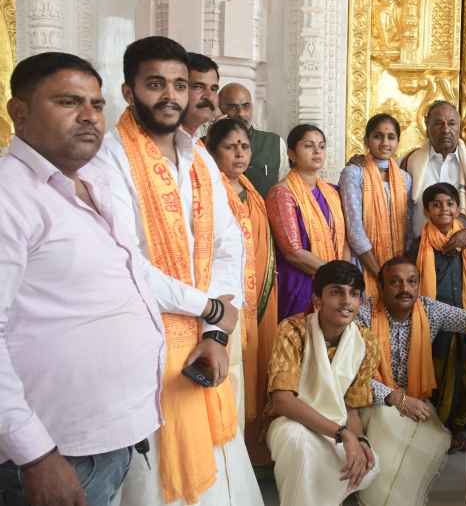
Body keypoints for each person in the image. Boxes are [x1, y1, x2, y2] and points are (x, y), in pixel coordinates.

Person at [90, 36, 262, 506]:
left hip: (208, 343)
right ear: (128, 92)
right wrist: (209, 308)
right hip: (145, 345)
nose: (170, 95)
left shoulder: (199, 157)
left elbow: (230, 246)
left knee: (222, 469)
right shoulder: (108, 158)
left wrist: (215, 331)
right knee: (153, 483)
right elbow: (127, 264)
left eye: (179, 85)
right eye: (155, 84)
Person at [0, 53, 165, 506]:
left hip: (108, 436)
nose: (90, 116)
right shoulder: (9, 195)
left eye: (97, 102)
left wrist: (210, 312)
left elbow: (132, 273)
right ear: (19, 111)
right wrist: (36, 456)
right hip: (53, 451)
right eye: (69, 101)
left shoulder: (96, 179)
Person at [355, 256, 466, 506]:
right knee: (387, 420)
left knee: (436, 439)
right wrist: (396, 398)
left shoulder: (430, 310)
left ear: (419, 285)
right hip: (371, 397)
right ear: (381, 286)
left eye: (411, 282)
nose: (405, 289)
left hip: (414, 396)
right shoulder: (362, 315)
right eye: (395, 282)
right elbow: (353, 375)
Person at [265, 260, 380, 506]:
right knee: (299, 443)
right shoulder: (293, 330)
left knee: (371, 465)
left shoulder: (366, 341)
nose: (346, 301)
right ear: (318, 300)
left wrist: (359, 440)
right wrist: (342, 434)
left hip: (338, 427)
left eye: (354, 294)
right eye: (336, 292)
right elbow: (282, 401)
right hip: (291, 422)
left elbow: (351, 408)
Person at [206, 117, 280, 464]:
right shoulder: (210, 190)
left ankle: (251, 448)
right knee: (231, 374)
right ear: (212, 149)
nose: (239, 153)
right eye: (230, 146)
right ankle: (227, 456)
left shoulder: (251, 190)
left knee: (255, 367)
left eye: (245, 146)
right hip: (226, 301)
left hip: (259, 295)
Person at [410, 182, 466, 447]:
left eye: (449, 203)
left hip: (464, 318)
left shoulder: (465, 242)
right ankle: (438, 431)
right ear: (427, 211)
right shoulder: (419, 245)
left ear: (458, 208)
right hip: (433, 322)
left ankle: (457, 428)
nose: (444, 209)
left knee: (464, 376)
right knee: (437, 377)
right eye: (437, 204)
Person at [267, 124, 349, 320]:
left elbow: (344, 239)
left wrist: (344, 274)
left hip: (335, 283)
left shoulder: (332, 192)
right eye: (308, 146)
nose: (317, 151)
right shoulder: (282, 193)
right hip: (299, 283)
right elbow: (293, 252)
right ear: (291, 153)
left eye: (321, 146)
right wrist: (336, 276)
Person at [402, 100, 466, 246]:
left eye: (451, 123)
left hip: (462, 254)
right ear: (427, 126)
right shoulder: (407, 163)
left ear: (459, 127)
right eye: (438, 123)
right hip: (418, 253)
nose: (445, 130)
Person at [339, 113, 413, 302]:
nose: (384, 143)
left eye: (391, 137)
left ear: (398, 141)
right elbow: (354, 229)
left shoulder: (405, 178)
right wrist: (381, 275)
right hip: (364, 263)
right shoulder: (354, 173)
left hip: (397, 266)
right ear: (366, 140)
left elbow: (408, 227)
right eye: (377, 136)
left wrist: (398, 273)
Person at [219, 82, 288, 196]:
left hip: (264, 213)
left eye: (246, 106)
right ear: (220, 109)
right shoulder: (206, 145)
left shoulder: (273, 143)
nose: (241, 113)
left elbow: (283, 191)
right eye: (232, 107)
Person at [180, 52, 220, 141]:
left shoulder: (200, 149)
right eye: (198, 87)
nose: (209, 97)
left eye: (213, 89)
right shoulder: (148, 144)